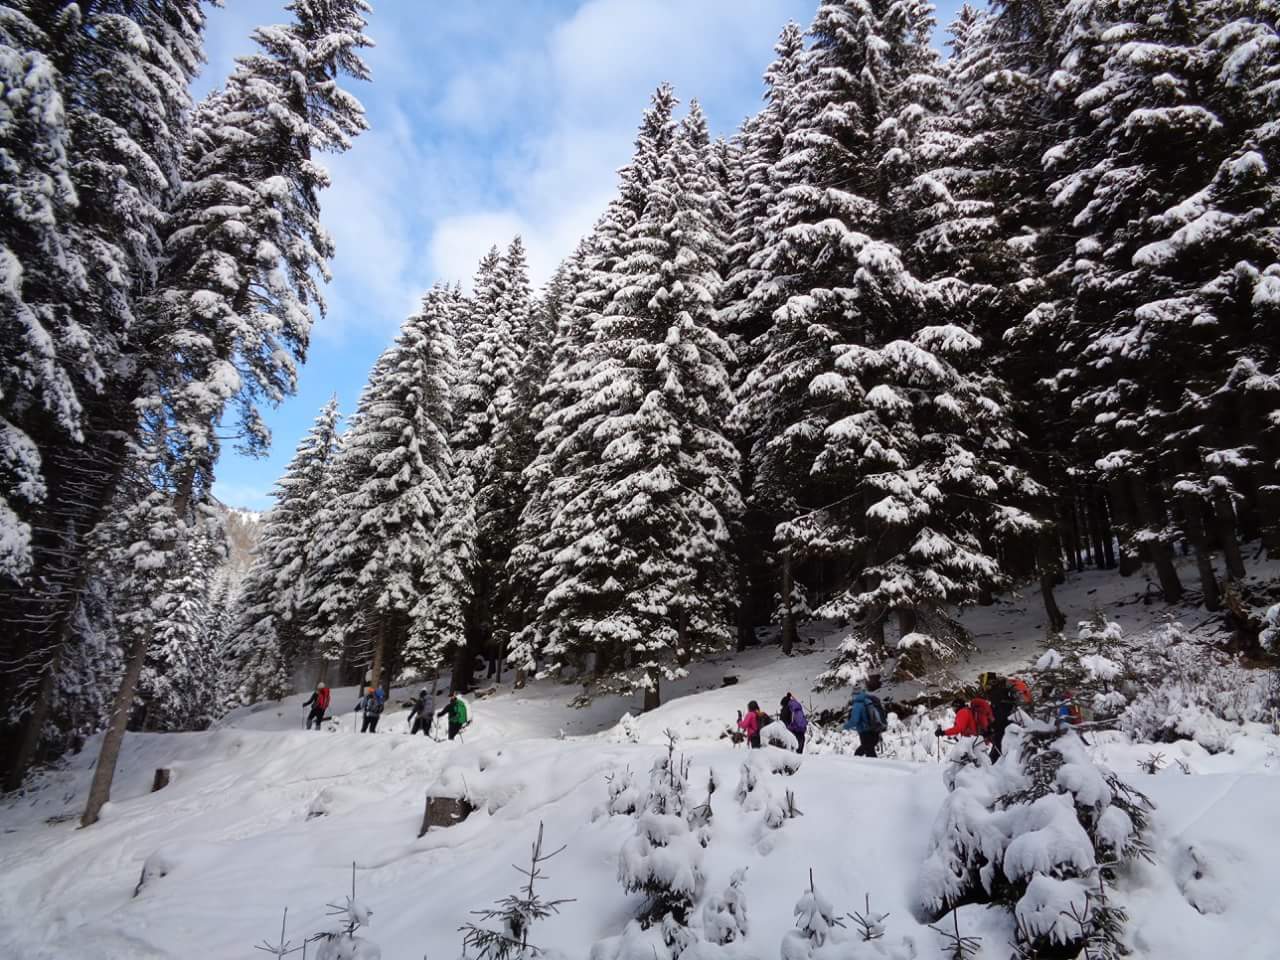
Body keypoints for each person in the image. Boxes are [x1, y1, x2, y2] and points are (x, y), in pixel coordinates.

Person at [843, 674, 887, 757]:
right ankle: (865, 768)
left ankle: (876, 769)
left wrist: (844, 727)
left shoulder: (858, 704)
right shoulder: (869, 700)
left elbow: (854, 720)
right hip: (875, 730)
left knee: (866, 754)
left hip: (865, 732)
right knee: (863, 752)